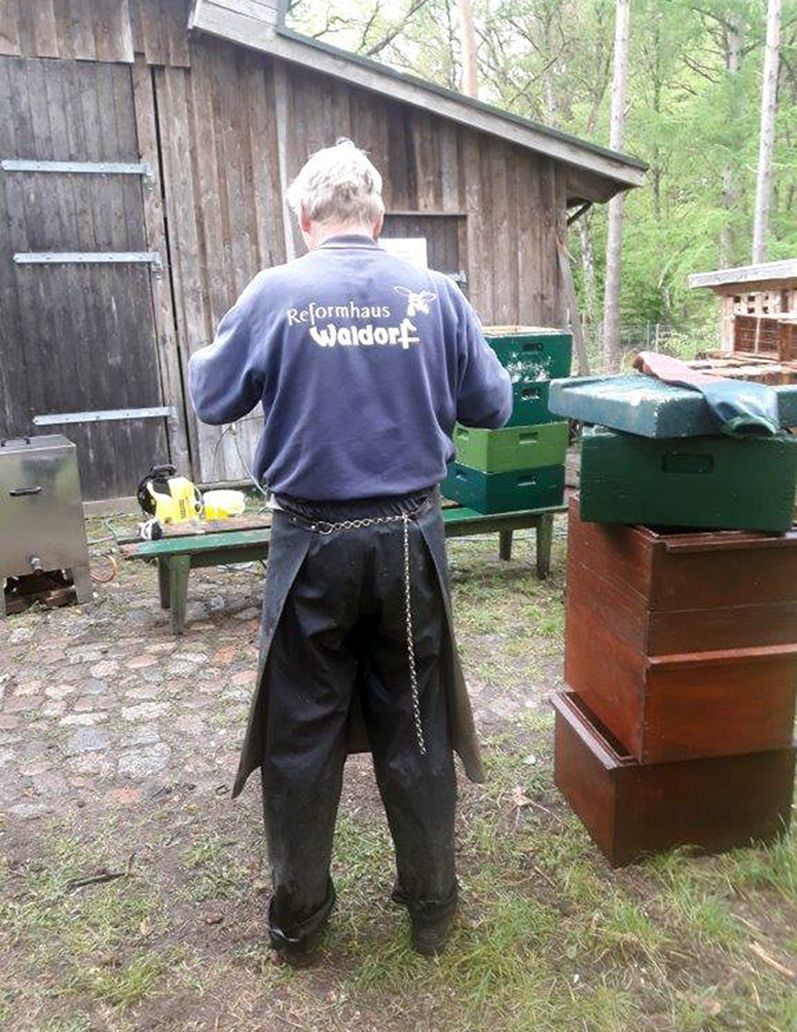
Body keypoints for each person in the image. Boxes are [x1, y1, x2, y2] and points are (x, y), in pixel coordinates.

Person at [189, 139, 512, 963]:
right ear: (378, 213)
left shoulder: (275, 292)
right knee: (416, 722)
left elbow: (212, 396)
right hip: (409, 543)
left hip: (311, 548)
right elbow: (495, 405)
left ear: (305, 217)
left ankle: (298, 924)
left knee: (300, 735)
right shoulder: (435, 294)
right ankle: (431, 910)